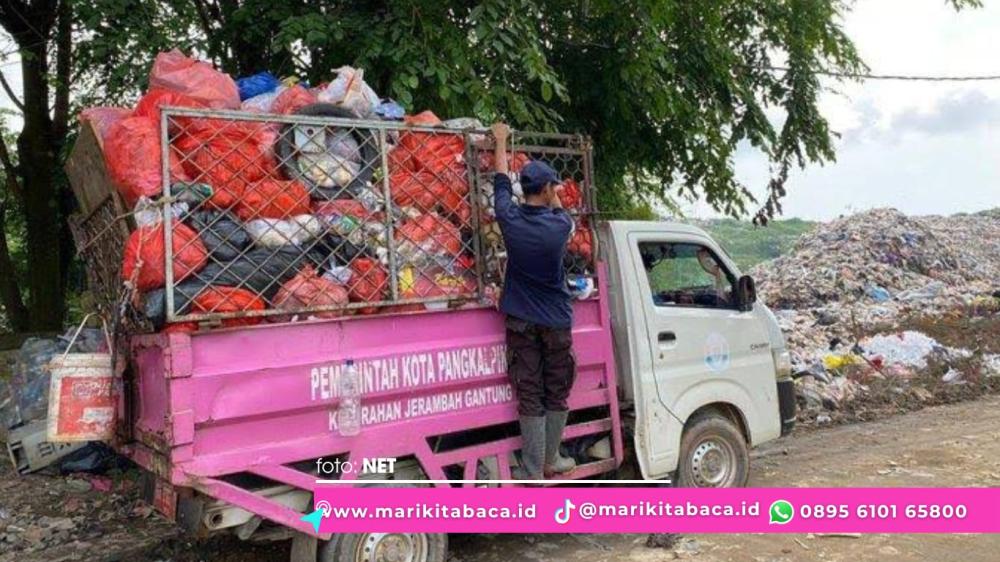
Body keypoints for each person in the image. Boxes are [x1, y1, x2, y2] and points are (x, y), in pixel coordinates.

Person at [490, 122, 577, 480]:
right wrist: (553, 195)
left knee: (529, 390)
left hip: (521, 320)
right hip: (556, 319)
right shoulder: (560, 226)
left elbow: (499, 183)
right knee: (556, 389)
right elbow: (559, 210)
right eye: (553, 186)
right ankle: (551, 459)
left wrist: (500, 142)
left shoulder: (509, 219)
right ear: (546, 189)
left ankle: (530, 468)